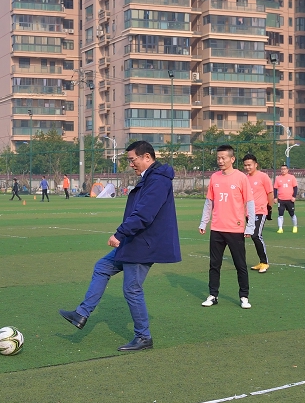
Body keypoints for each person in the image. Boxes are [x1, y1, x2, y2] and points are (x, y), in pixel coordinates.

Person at [59, 141, 181, 351]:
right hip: (135, 240)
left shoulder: (158, 180)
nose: (130, 164)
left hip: (143, 243)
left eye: (133, 160)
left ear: (147, 157)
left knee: (132, 289)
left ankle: (143, 337)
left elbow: (144, 214)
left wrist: (120, 233)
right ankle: (81, 314)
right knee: (102, 267)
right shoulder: (151, 177)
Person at [198, 145, 255, 309]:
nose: (220, 161)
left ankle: (244, 296)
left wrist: (250, 226)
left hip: (235, 229)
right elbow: (209, 202)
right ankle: (213, 295)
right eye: (218, 158)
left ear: (232, 159)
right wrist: (204, 222)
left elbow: (250, 203)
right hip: (217, 228)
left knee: (240, 264)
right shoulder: (214, 177)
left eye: (223, 158)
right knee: (214, 264)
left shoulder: (241, 178)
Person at [243, 154, 274, 273]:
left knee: (256, 235)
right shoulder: (245, 178)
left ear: (256, 164)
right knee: (253, 236)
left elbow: (270, 193)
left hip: (260, 211)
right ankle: (261, 262)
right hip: (248, 213)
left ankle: (265, 262)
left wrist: (269, 208)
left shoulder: (263, 177)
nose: (247, 167)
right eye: (245, 165)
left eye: (249, 165)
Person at [274, 164, 299, 233]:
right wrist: (275, 197)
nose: (283, 170)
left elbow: (295, 187)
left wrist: (294, 196)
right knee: (280, 214)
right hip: (281, 200)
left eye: (284, 169)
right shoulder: (278, 178)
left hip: (289, 199)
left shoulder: (291, 177)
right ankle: (280, 228)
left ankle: (295, 226)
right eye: (282, 169)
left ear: (287, 170)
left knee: (292, 214)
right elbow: (275, 188)